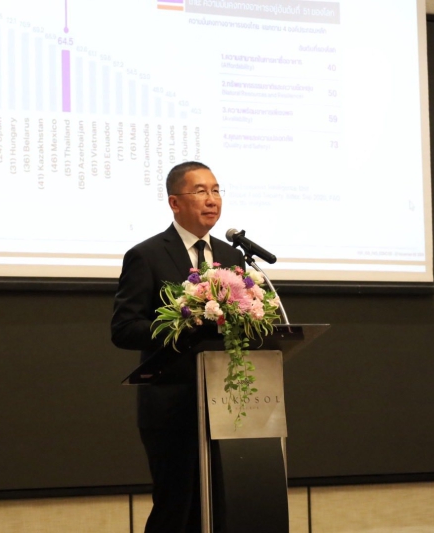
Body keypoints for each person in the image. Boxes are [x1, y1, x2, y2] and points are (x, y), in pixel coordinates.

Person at [111, 161, 245, 533]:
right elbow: (124, 329)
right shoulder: (147, 255)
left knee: (218, 507)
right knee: (177, 508)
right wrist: (184, 326)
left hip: (223, 401)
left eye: (216, 190)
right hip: (171, 403)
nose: (212, 199)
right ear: (175, 202)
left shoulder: (233, 257)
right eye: (201, 191)